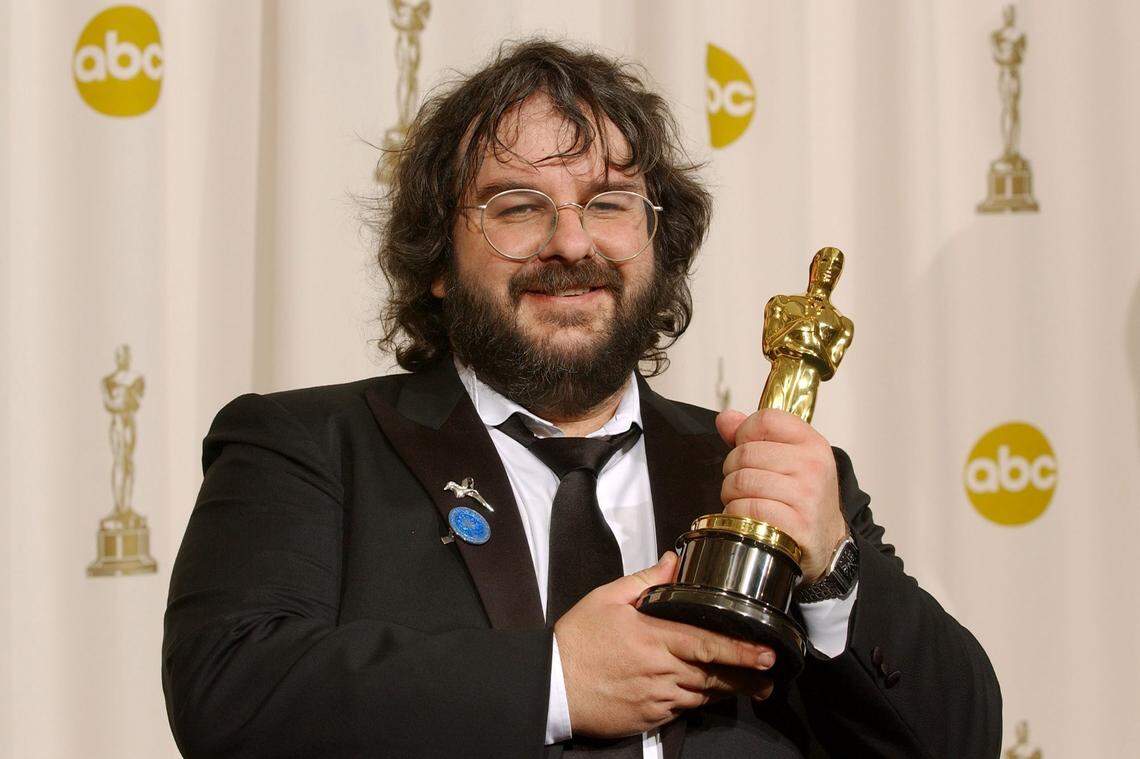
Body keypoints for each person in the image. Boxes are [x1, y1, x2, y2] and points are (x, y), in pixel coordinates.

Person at [162, 40, 1001, 757]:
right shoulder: (307, 444)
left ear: (656, 244)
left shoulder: (764, 475)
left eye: (608, 202)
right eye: (518, 206)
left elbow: (960, 740)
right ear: (439, 260)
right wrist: (558, 677)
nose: (571, 240)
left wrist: (834, 573)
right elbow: (231, 693)